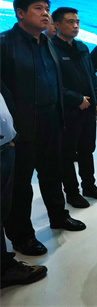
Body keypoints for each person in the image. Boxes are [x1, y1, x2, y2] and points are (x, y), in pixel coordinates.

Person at [0, 0, 86, 258]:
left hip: (51, 122)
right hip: (21, 129)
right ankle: (22, 236)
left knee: (52, 174)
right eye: (38, 8)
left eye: (47, 8)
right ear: (20, 13)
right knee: (21, 185)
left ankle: (58, 216)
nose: (46, 13)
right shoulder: (5, 44)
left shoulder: (47, 43)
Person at [50, 7, 97, 209]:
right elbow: (52, 83)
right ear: (57, 25)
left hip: (88, 109)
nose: (75, 26)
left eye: (77, 22)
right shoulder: (51, 49)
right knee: (67, 154)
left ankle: (89, 186)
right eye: (70, 22)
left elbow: (92, 76)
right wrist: (76, 98)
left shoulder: (82, 47)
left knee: (87, 150)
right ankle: (72, 193)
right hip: (67, 111)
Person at [0, 84, 48, 288]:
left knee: (4, 208)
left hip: (6, 145)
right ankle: (4, 269)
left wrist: (11, 135)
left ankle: (3, 265)